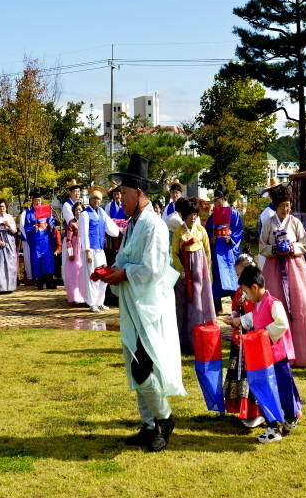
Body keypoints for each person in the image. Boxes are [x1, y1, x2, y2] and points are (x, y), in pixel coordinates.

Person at [102, 153, 186, 453]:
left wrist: (124, 272)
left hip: (150, 307)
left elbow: (151, 268)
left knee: (143, 366)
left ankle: (164, 419)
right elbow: (128, 258)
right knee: (135, 362)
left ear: (138, 193)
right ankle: (149, 423)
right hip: (134, 303)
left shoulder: (154, 225)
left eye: (123, 193)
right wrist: (113, 270)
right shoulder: (135, 222)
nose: (119, 198)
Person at [224, 265, 302, 444]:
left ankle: (291, 417)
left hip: (277, 356)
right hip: (262, 358)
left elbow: (282, 324)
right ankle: (273, 427)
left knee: (283, 389)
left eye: (246, 291)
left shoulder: (274, 303)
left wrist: (263, 335)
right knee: (264, 390)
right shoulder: (258, 305)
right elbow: (251, 319)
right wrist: (236, 321)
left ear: (254, 287)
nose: (246, 296)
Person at [259, 186, 306, 367]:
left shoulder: (296, 223)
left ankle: (303, 354)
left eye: (288, 205)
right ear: (276, 206)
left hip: (295, 269)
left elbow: (305, 245)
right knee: (275, 307)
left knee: (301, 307)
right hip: (274, 268)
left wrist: (292, 248)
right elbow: (262, 247)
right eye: (282, 206)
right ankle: (277, 354)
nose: (286, 209)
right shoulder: (268, 223)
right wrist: (274, 249)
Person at [223, 252, 264, 428]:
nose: (240, 278)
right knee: (238, 373)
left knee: (251, 376)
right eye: (238, 275)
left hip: (252, 340)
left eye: (242, 274)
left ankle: (256, 412)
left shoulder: (258, 292)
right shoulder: (240, 290)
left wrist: (240, 321)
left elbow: (258, 315)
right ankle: (241, 408)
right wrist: (232, 318)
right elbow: (235, 307)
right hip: (239, 339)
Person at [171, 197, 215, 354]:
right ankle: (183, 342)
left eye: (195, 214)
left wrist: (206, 271)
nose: (193, 217)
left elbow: (208, 252)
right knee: (182, 306)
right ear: (184, 215)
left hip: (198, 274)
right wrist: (181, 271)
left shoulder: (201, 231)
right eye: (190, 214)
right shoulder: (178, 231)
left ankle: (198, 342)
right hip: (184, 275)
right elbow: (174, 253)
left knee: (198, 305)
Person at [79, 186, 120, 312]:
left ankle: (100, 301)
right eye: (95, 198)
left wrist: (121, 228)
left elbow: (113, 230)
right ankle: (92, 303)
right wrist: (87, 252)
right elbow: (84, 233)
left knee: (103, 274)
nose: (97, 201)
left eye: (99, 199)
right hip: (90, 249)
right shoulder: (85, 214)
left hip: (100, 249)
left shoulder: (102, 212)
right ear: (90, 199)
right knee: (92, 275)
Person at [205, 184, 244, 313]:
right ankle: (217, 307)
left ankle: (236, 305)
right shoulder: (214, 214)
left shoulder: (233, 212)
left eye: (216, 200)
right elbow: (208, 229)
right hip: (217, 248)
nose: (214, 203)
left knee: (231, 275)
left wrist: (231, 238)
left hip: (228, 249)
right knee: (216, 275)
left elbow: (239, 229)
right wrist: (211, 237)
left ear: (222, 199)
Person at [22, 188, 57, 290]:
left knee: (48, 259)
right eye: (36, 200)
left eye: (39, 200)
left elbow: (52, 221)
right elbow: (27, 227)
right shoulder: (29, 213)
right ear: (33, 200)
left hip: (45, 239)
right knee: (37, 260)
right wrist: (33, 228)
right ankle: (39, 281)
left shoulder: (46, 211)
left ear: (41, 200)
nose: (38, 202)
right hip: (36, 239)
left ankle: (50, 280)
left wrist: (51, 225)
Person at [0, 199, 18, 293]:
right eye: (0, 206)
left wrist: (8, 225)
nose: (2, 208)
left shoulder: (9, 217)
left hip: (9, 240)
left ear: (6, 207)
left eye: (3, 206)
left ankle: (9, 287)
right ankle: (1, 287)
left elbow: (14, 231)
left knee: (10, 263)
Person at [64, 201, 86, 305]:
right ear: (73, 211)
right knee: (73, 274)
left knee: (83, 273)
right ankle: (75, 297)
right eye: (77, 210)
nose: (78, 212)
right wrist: (70, 252)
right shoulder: (71, 223)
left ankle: (84, 296)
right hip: (75, 250)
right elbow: (68, 240)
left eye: (80, 210)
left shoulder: (85, 221)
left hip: (83, 250)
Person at [257, 177, 282, 269]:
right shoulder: (268, 213)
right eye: (275, 193)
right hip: (268, 252)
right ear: (271, 196)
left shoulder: (279, 210)